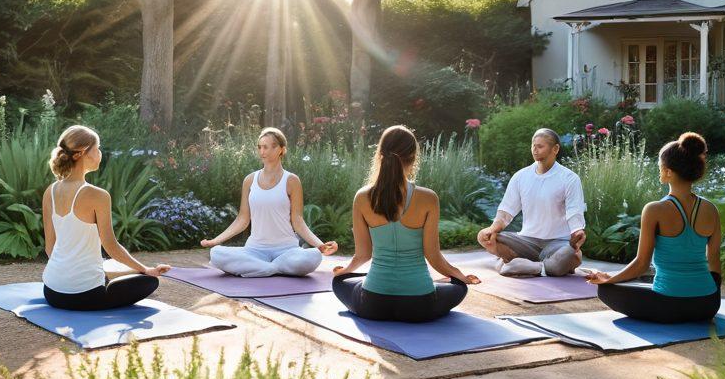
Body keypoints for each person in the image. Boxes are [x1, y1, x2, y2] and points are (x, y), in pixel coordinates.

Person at [331, 125, 480, 322]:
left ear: (379, 154)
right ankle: (442, 283)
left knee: (340, 281)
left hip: (373, 303)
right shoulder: (428, 198)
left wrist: (345, 270)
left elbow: (363, 255)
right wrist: (458, 275)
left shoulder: (362, 197)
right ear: (413, 157)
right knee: (458, 286)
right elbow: (433, 256)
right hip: (419, 304)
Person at [583, 132, 722, 323]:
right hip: (708, 305)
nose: (659, 171)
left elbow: (641, 264)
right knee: (644, 284)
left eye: (660, 167)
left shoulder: (654, 209)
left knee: (605, 290)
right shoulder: (710, 209)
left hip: (668, 305)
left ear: (669, 172)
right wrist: (710, 297)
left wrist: (609, 279)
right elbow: (714, 260)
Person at [41, 125, 170, 310]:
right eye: (97, 148)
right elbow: (111, 246)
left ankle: (123, 272)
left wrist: (66, 275)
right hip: (87, 295)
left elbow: (49, 248)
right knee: (149, 282)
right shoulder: (98, 195)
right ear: (81, 154)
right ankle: (140, 271)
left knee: (106, 269)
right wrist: (147, 271)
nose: (100, 153)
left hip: (52, 292)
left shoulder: (50, 191)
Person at [201, 127, 339, 276]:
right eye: (259, 147)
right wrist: (215, 241)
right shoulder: (249, 180)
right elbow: (242, 219)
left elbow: (298, 220)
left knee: (313, 256)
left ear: (281, 149)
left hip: (287, 251)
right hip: (254, 250)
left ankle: (264, 268)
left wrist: (320, 245)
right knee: (216, 253)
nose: (261, 152)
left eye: (266, 147)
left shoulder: (292, 180)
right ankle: (273, 268)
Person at [477, 128, 586, 277]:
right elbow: (507, 210)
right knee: (485, 237)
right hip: (526, 241)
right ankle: (546, 267)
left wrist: (577, 230)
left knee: (573, 255)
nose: (535, 149)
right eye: (533, 145)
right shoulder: (520, 176)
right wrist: (492, 229)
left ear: (555, 149)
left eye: (540, 146)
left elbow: (574, 211)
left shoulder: (569, 178)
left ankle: (525, 266)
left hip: (558, 243)